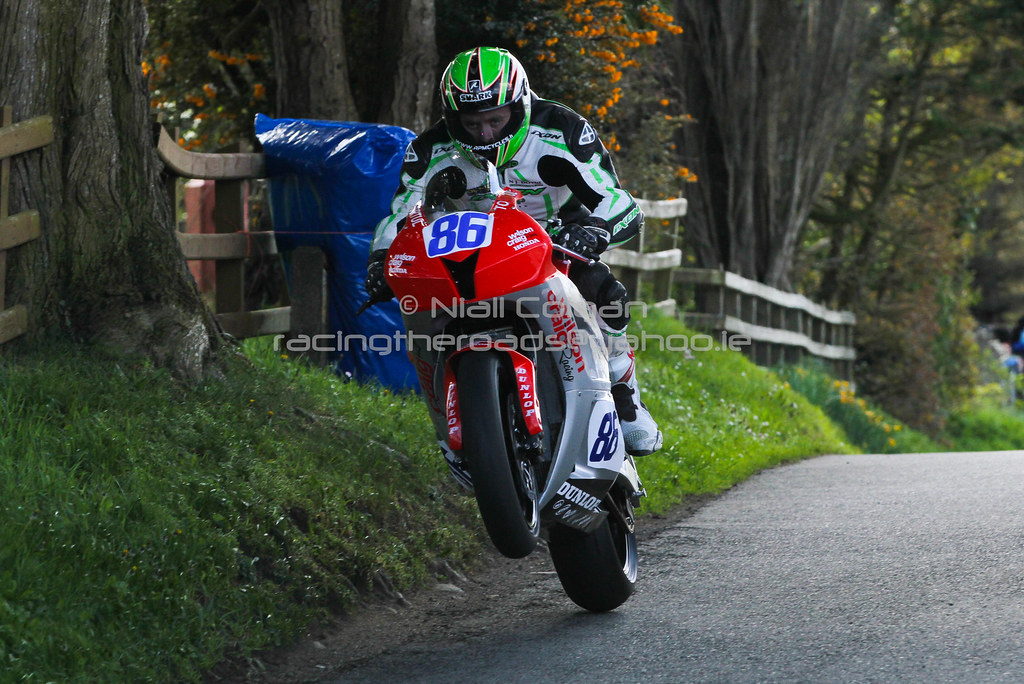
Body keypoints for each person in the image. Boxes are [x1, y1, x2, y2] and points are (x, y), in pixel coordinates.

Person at [364, 46, 662, 456]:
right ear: (453, 120)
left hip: (554, 243)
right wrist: (381, 259)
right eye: (471, 123)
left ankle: (624, 395)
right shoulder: (431, 148)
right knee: (417, 306)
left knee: (603, 293)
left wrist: (595, 230)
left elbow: (617, 201)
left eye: (495, 120)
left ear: (520, 106)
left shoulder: (562, 129)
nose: (484, 133)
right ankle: (445, 419)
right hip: (468, 253)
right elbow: (402, 210)